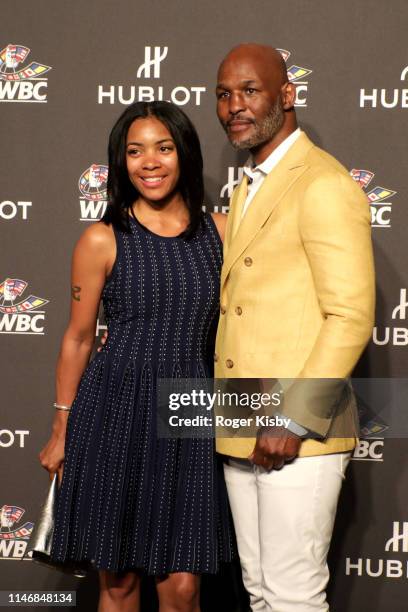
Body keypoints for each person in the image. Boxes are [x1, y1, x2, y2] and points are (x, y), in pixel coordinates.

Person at [39, 100, 234, 612]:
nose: (150, 162)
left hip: (191, 416)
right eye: (135, 151)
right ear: (121, 162)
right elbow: (79, 338)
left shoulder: (223, 231)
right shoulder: (102, 238)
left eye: (163, 148)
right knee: (119, 585)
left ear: (183, 154)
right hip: (115, 412)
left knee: (183, 589)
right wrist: (62, 428)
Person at [214, 44, 375, 611]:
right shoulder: (247, 185)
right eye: (224, 94)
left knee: (292, 598)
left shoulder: (322, 183)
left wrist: (291, 416)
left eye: (250, 90)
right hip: (241, 420)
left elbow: (350, 314)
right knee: (262, 594)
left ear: (287, 94)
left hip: (295, 431)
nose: (235, 105)